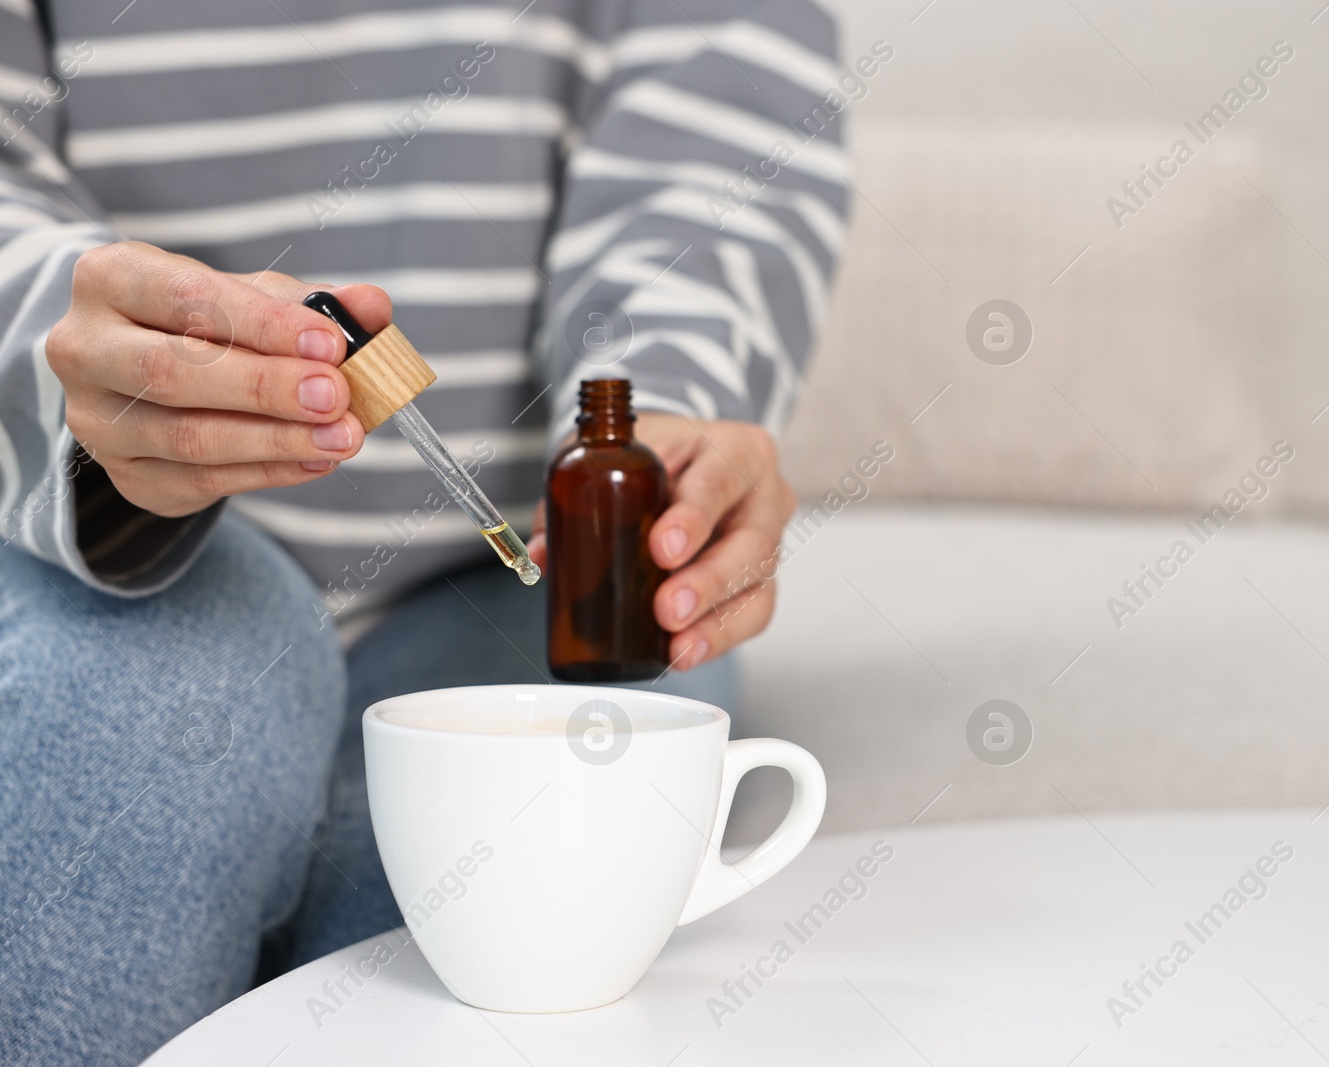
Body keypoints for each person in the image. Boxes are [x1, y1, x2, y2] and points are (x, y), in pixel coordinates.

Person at [0, 0, 846, 1060]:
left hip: (509, 580)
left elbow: (720, 141)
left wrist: (662, 413)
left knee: (543, 818)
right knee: (149, 701)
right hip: (82, 527)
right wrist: (87, 368)